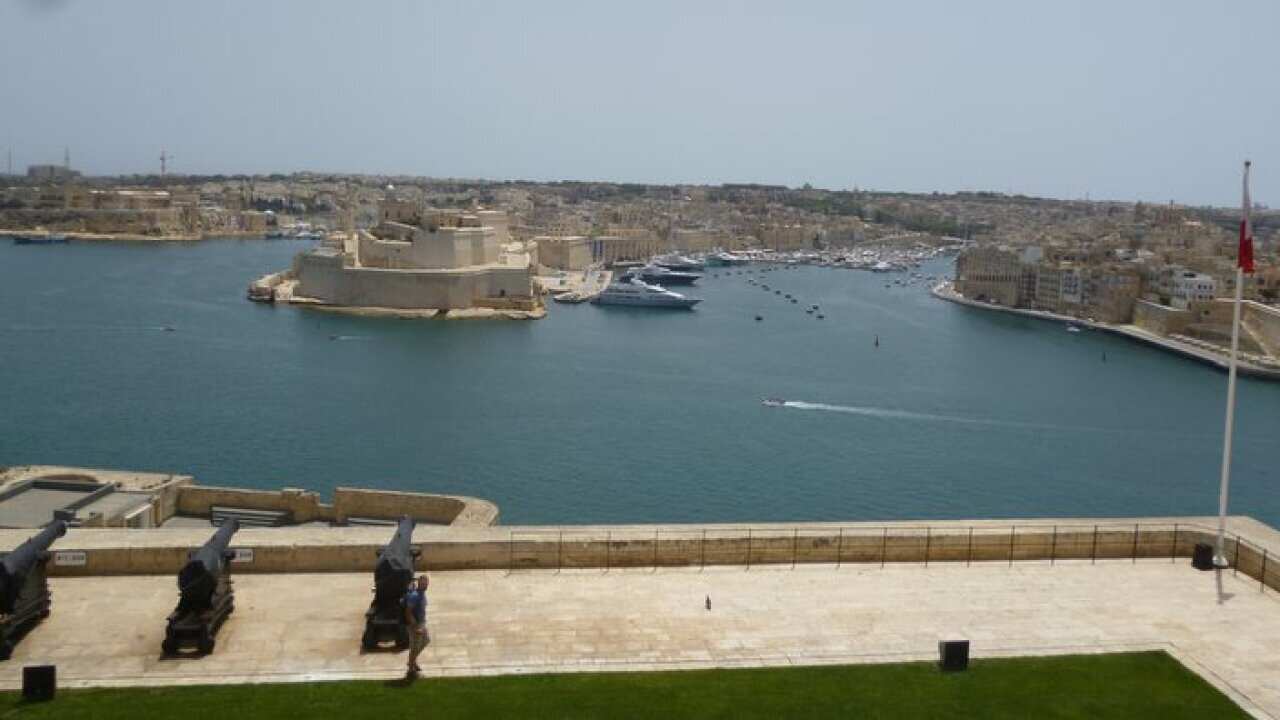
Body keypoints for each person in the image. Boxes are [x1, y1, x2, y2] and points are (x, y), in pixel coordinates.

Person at [404, 574, 429, 674]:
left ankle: (412, 661)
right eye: (423, 583)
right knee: (415, 646)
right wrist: (415, 627)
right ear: (419, 583)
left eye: (426, 583)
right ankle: (411, 666)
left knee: (425, 641)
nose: (426, 585)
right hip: (415, 625)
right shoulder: (415, 596)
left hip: (421, 623)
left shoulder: (422, 594)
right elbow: (408, 612)